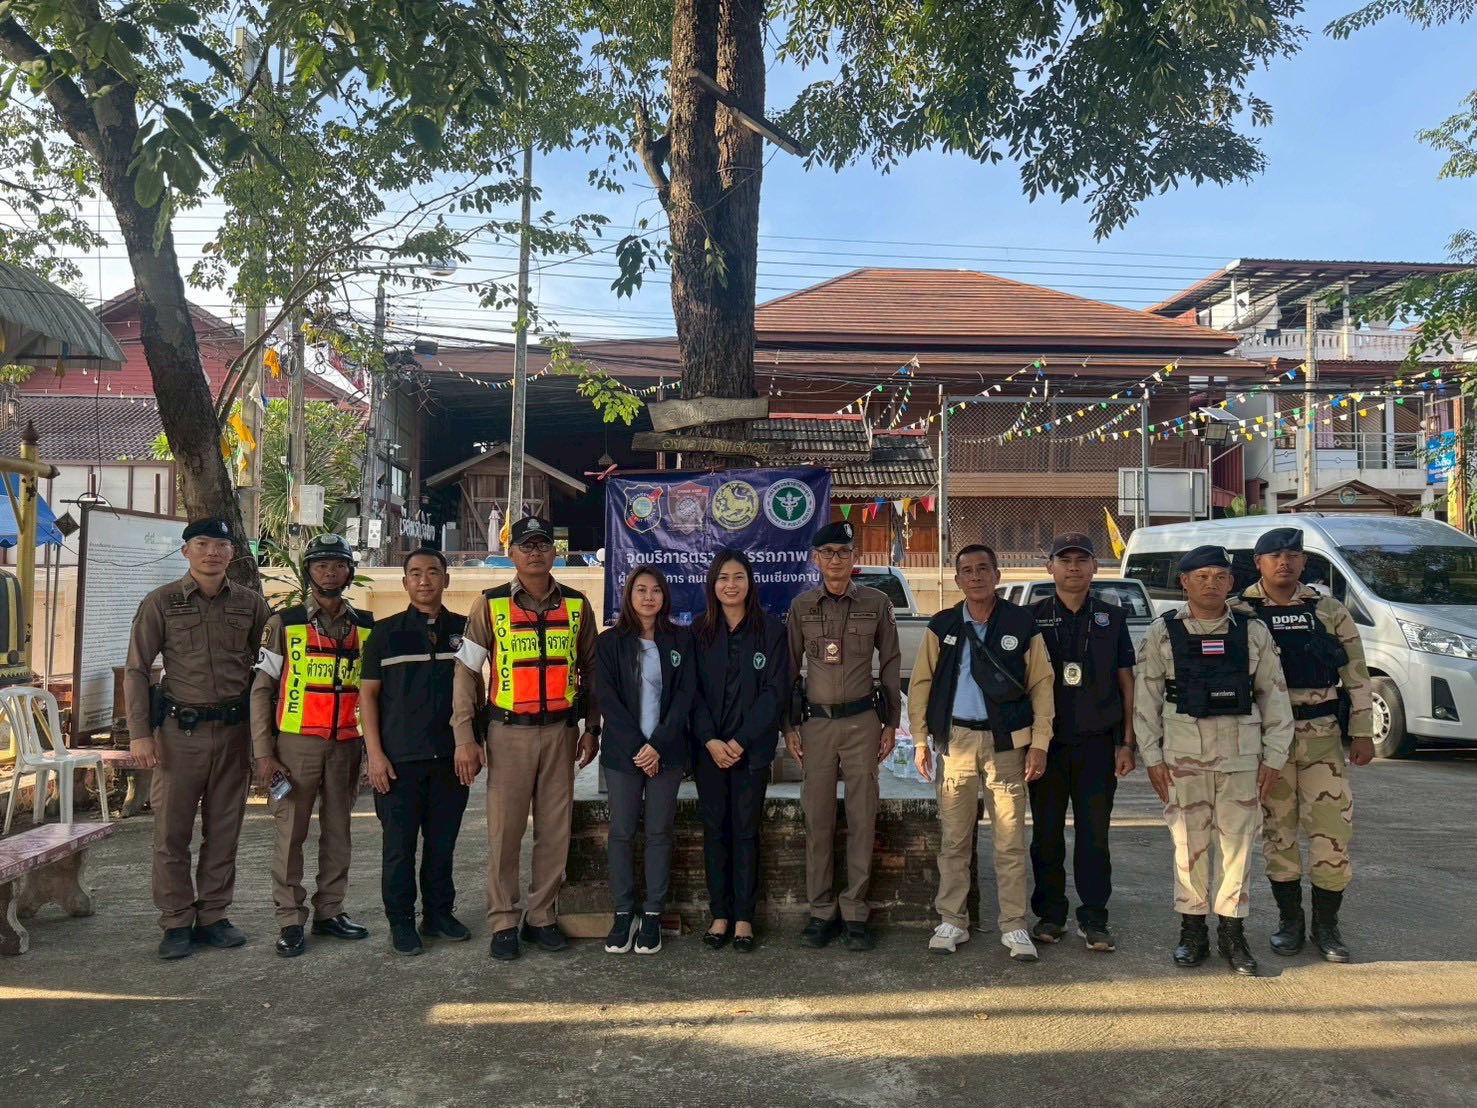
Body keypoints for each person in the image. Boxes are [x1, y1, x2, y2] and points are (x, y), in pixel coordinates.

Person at [1134, 545, 1294, 977]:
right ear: (1185, 582)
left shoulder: (1252, 631)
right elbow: (1145, 700)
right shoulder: (1163, 632)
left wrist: (1274, 757)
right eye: (1201, 576)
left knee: (1237, 847)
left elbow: (1274, 697)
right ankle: (1192, 930)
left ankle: (1232, 932)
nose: (1211, 584)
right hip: (1182, 757)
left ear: (1231, 582)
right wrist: (1152, 757)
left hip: (1242, 758)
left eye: (1219, 577)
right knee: (1188, 845)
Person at [451, 515, 600, 962]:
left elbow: (593, 670)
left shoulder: (577, 605)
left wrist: (592, 728)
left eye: (542, 544)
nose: (535, 552)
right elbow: (466, 672)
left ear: (555, 552)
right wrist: (465, 735)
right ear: (511, 554)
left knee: (555, 830)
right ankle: (503, 921)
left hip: (561, 732)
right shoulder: (489, 604)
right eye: (526, 545)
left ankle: (541, 917)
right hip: (507, 733)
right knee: (505, 832)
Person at [123, 518, 271, 960]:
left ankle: (213, 916)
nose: (212, 552)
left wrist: (266, 737)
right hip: (179, 735)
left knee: (224, 830)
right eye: (202, 544)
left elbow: (269, 669)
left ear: (232, 553)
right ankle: (175, 922)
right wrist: (139, 734)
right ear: (186, 551)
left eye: (221, 545)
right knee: (172, 833)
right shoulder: (162, 602)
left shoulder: (250, 604)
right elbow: (137, 669)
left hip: (234, 733)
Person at [910, 544, 1055, 962]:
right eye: (967, 571)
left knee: (1009, 841)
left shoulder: (1020, 624)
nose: (975, 577)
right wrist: (920, 739)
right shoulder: (942, 624)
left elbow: (1041, 684)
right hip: (955, 743)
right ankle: (952, 920)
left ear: (997, 575)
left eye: (982, 569)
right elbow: (921, 683)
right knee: (954, 840)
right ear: (957, 579)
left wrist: (1040, 743)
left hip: (1005, 745)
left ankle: (1014, 925)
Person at [1240, 526, 1374, 962]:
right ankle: (1290, 923)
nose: (1285, 562)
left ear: (1302, 561)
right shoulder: (1240, 611)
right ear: (1258, 563)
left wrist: (1363, 731)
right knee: (1278, 833)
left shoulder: (1328, 609)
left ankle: (1327, 926)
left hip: (1322, 739)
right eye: (1275, 555)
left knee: (1331, 833)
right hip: (1267, 743)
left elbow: (1356, 673)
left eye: (1293, 555)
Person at [251, 533, 375, 958]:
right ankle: (290, 919)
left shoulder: (366, 627)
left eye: (338, 565)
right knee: (291, 834)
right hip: (296, 746)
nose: (330, 573)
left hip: (346, 745)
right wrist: (263, 753)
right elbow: (261, 691)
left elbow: (374, 692)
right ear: (308, 572)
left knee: (339, 832)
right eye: (321, 565)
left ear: (350, 573)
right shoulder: (283, 624)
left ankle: (330, 911)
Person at [783, 521, 902, 952]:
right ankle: (821, 911)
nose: (836, 559)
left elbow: (891, 663)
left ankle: (854, 912)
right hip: (816, 726)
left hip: (862, 723)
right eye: (828, 552)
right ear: (815, 559)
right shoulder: (801, 606)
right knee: (818, 820)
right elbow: (788, 669)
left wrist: (891, 723)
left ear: (855, 557)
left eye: (844, 552)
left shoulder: (876, 602)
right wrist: (788, 727)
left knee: (862, 818)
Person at [1028, 534, 1138, 953]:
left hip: (1097, 744)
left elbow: (1126, 683)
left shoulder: (1113, 617)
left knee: (1094, 836)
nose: (1073, 567)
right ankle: (1050, 914)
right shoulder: (1031, 617)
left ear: (1095, 567)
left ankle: (1094, 917)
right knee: (1046, 835)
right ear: (1050, 568)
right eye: (1065, 560)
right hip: (1048, 746)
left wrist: (1126, 743)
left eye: (1082, 560)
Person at [359, 548, 472, 956]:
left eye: (433, 572)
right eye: (416, 573)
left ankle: (438, 914)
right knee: (399, 848)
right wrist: (375, 755)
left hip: (451, 760)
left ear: (446, 579)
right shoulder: (385, 633)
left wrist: (473, 743)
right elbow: (368, 697)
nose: (425, 580)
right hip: (398, 762)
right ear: (404, 582)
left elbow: (477, 691)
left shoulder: (465, 630)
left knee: (442, 845)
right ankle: (402, 922)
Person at [691, 549, 790, 953]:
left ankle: (744, 918)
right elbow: (690, 692)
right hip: (709, 752)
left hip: (750, 752)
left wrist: (740, 741)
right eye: (723, 578)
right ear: (712, 585)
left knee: (746, 832)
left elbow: (775, 692)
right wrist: (711, 740)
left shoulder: (772, 631)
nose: (730, 585)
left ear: (750, 583)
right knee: (715, 831)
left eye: (738, 577)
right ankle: (720, 915)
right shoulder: (699, 631)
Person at [594, 567, 695, 955]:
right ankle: (624, 912)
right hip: (624, 754)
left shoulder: (680, 640)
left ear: (665, 596)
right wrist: (639, 747)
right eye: (641, 589)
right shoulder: (610, 643)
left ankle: (652, 912)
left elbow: (685, 695)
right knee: (621, 831)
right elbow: (607, 698)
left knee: (659, 832)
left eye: (656, 590)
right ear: (629, 596)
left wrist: (657, 745)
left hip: (666, 753)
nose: (649, 597)